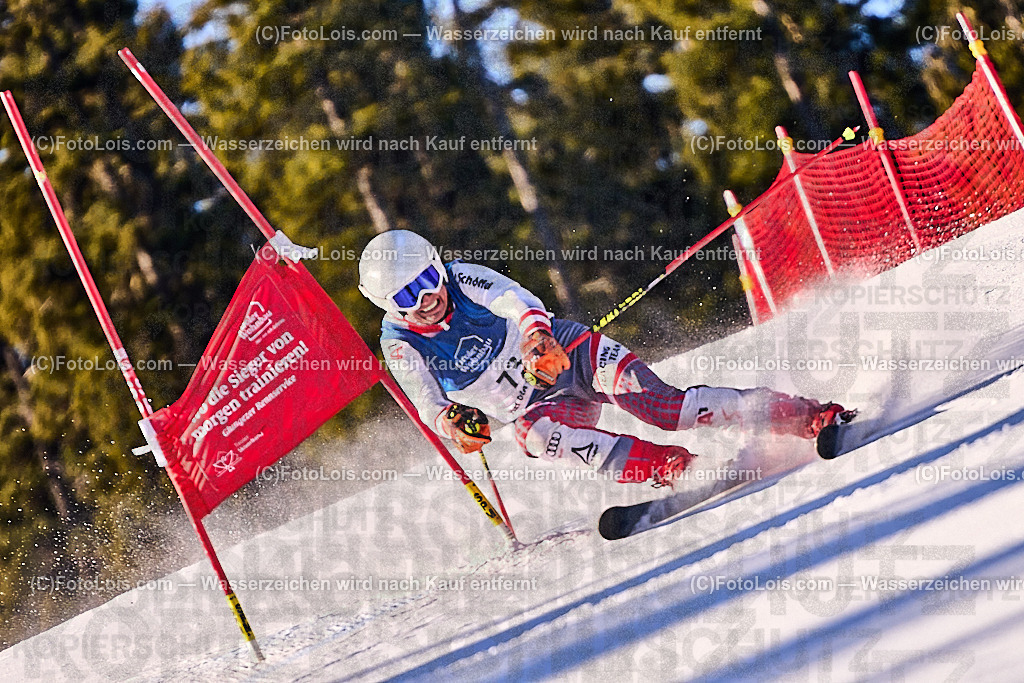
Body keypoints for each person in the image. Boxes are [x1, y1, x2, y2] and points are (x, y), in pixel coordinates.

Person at [358, 230, 847, 488]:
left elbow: (517, 299)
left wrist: (535, 340)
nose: (427, 299)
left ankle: (808, 416)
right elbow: (426, 402)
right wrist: (455, 422)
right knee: (533, 438)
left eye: (427, 280)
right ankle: (674, 470)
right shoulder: (401, 343)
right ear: (390, 307)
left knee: (667, 410)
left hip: (567, 356)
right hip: (537, 407)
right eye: (408, 297)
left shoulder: (461, 278)